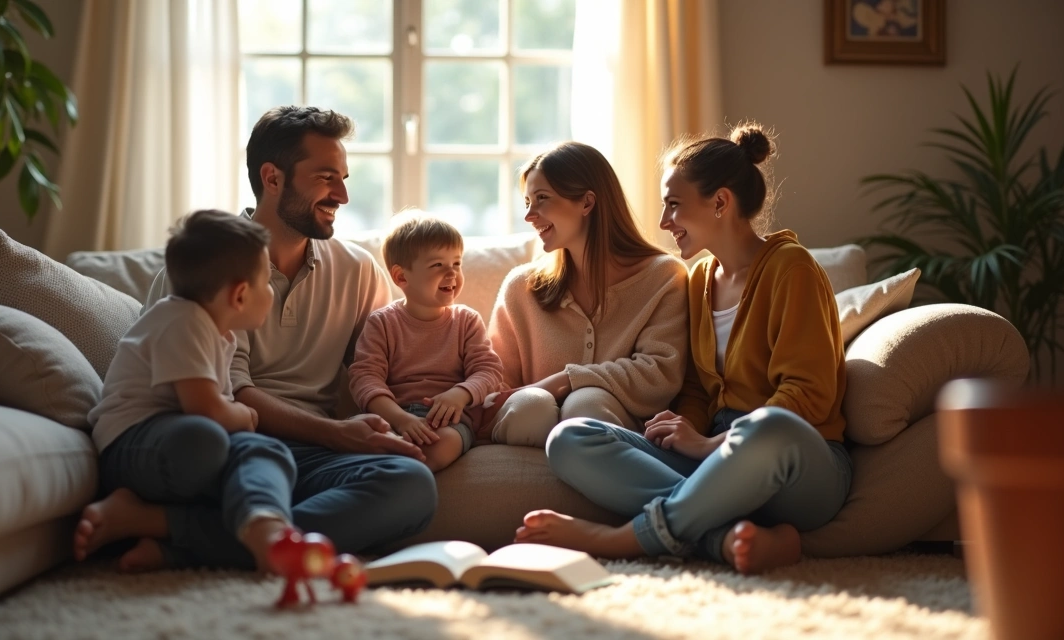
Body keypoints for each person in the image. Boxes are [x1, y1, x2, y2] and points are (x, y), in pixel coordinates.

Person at [77, 106, 437, 565]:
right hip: (223, 446)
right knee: (208, 450)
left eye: (344, 177)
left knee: (410, 486)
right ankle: (236, 536)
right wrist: (336, 433)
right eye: (327, 177)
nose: (343, 194)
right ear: (273, 178)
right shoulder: (206, 269)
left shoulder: (357, 270)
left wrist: (458, 399)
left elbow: (384, 368)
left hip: (308, 455)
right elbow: (232, 394)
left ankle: (179, 534)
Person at [517, 124, 852, 575]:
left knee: (771, 426)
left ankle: (626, 538)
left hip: (796, 462)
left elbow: (808, 394)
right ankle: (722, 537)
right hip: (717, 456)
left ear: (719, 202)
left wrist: (713, 444)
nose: (663, 222)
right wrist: (686, 430)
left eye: (674, 205)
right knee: (571, 437)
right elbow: (695, 388)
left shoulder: (792, 269)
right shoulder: (698, 280)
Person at [74, 210, 292, 572]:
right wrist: (247, 414)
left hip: (178, 443)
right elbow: (207, 410)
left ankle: (261, 526)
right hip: (133, 445)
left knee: (267, 451)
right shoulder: (183, 320)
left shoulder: (220, 334)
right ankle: (200, 525)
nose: (271, 291)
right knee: (205, 439)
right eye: (267, 281)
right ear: (240, 295)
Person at [484, 141, 690, 447]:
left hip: (615, 428)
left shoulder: (663, 277)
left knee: (586, 405)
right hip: (529, 424)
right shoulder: (521, 287)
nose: (529, 215)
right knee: (532, 406)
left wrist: (565, 380)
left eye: (541, 199)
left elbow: (659, 373)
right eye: (527, 201)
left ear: (587, 203)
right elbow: (496, 383)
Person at [348, 213, 505, 472]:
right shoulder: (382, 323)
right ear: (401, 278)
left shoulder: (466, 320)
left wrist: (460, 394)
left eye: (457, 263)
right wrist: (400, 419)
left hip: (445, 422)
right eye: (438, 266)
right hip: (392, 415)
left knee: (442, 444)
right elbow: (365, 378)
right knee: (357, 431)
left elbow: (489, 370)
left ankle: (398, 473)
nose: (452, 273)